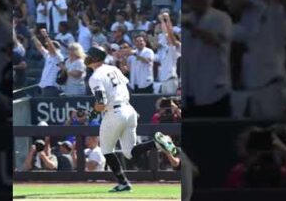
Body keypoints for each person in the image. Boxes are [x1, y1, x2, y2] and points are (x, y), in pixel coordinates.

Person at [84, 45, 178, 192]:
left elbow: (101, 102)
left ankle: (123, 183)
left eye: (89, 55)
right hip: (128, 110)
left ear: (94, 58)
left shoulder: (95, 76)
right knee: (129, 152)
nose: (86, 57)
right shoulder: (113, 69)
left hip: (114, 113)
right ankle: (157, 143)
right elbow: (126, 87)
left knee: (107, 150)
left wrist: (94, 113)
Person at [182, 0, 232, 118]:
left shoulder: (221, 18)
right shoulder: (186, 20)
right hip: (191, 91)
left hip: (216, 91)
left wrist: (193, 28)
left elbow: (216, 41)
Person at [31, 28, 63, 96]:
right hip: (44, 87)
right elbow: (40, 47)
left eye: (48, 46)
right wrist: (33, 36)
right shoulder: (48, 55)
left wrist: (46, 36)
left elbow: (52, 48)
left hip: (52, 87)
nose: (47, 47)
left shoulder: (58, 56)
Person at [156, 12, 181, 95]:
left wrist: (167, 19)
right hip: (163, 80)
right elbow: (166, 33)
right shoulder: (165, 48)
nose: (167, 39)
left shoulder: (177, 47)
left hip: (171, 79)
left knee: (172, 103)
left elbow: (170, 34)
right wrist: (162, 21)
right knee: (165, 104)